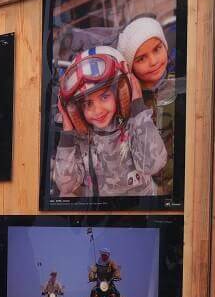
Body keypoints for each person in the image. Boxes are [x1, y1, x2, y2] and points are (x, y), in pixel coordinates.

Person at [51, 46, 168, 197]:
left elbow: (153, 164)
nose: (97, 110)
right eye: (88, 103)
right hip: (102, 211)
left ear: (122, 92)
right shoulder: (83, 137)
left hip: (141, 207)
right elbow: (66, 185)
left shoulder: (133, 125)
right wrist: (67, 132)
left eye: (104, 97)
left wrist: (138, 107)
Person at [118, 16, 176, 194]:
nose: (153, 61)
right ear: (130, 67)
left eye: (157, 49)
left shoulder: (180, 86)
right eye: (141, 59)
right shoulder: (128, 107)